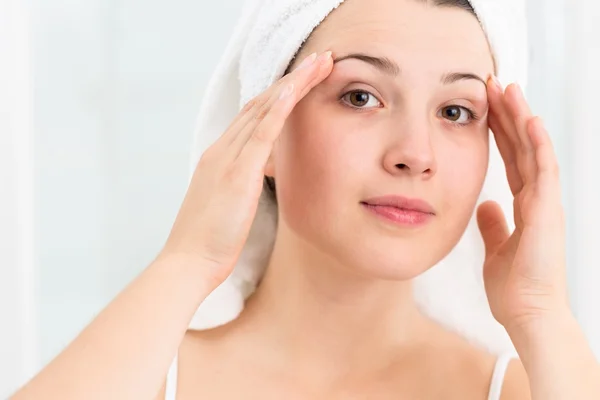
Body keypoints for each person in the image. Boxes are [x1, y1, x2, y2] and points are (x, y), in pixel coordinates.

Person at [12, 0, 600, 399]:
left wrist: (543, 316)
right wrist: (185, 265)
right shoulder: (149, 376)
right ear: (265, 125)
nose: (415, 153)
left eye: (455, 111)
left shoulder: (523, 388)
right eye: (361, 97)